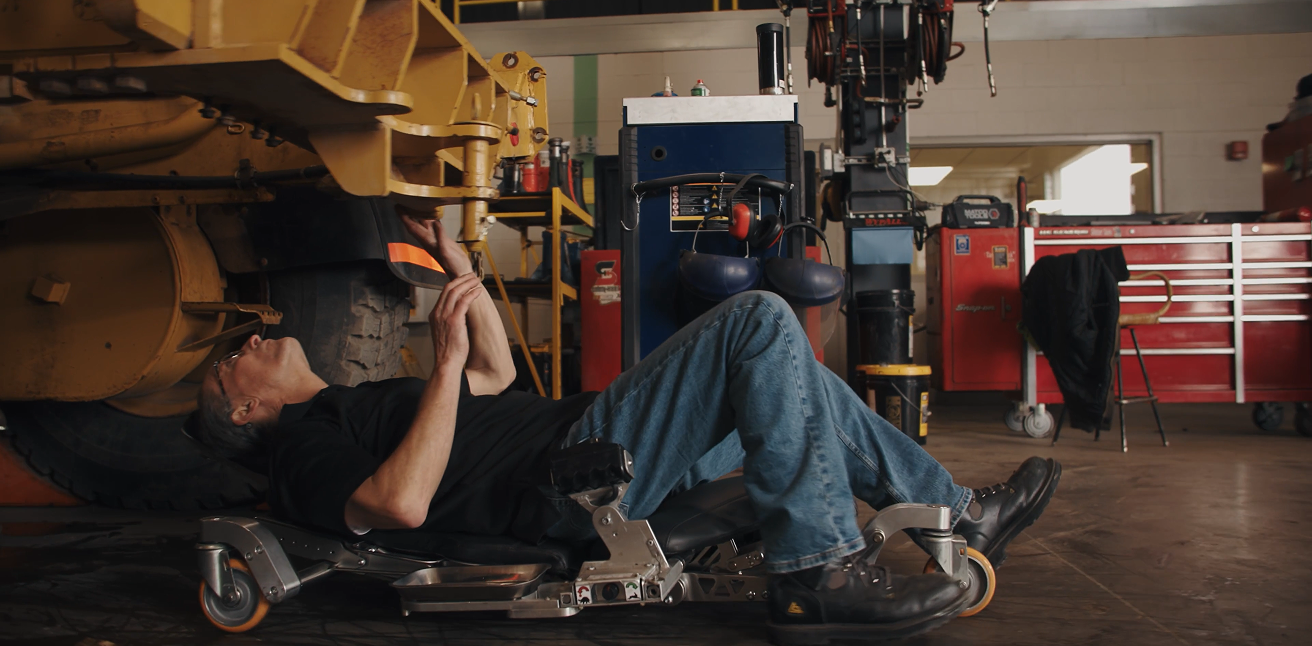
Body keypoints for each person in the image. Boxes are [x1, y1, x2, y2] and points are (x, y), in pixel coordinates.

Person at [194, 211, 1061, 644]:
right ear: (242, 409)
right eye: (233, 360)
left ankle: (958, 516)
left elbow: (494, 372)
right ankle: (815, 573)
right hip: (572, 474)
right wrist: (445, 364)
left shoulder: (364, 394)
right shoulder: (302, 447)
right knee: (759, 320)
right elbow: (402, 505)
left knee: (795, 381)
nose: (252, 341)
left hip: (592, 438)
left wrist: (459, 269)